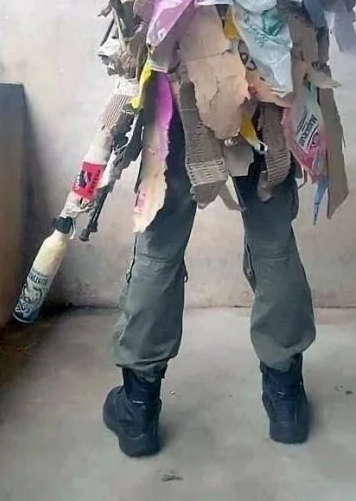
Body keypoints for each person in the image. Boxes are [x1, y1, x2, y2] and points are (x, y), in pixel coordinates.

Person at [102, 111, 316, 457]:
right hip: (261, 95)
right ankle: (286, 401)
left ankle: (138, 409)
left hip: (178, 96)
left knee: (159, 250)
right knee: (273, 246)